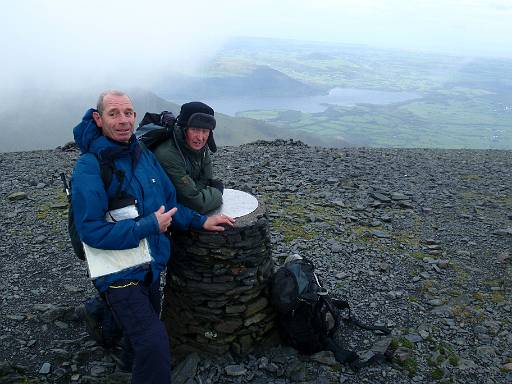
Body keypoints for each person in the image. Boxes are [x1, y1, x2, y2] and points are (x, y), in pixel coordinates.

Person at [71, 90, 234, 383]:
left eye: (128, 113)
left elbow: (169, 206)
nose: (123, 121)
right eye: (114, 113)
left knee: (141, 332)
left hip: (151, 264)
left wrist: (200, 222)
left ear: (135, 116)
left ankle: (124, 357)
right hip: (119, 272)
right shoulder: (89, 166)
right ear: (98, 119)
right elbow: (90, 230)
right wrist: (148, 226)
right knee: (155, 343)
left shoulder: (143, 155)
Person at [152, 102, 223, 214]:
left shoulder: (200, 147)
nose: (200, 137)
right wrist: (217, 192)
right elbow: (196, 203)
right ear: (184, 129)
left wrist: (194, 189)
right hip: (166, 217)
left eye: (205, 131)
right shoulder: (168, 155)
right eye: (194, 129)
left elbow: (207, 181)